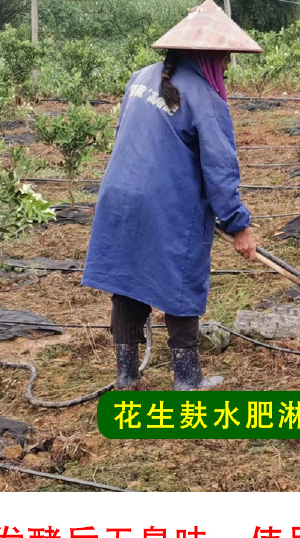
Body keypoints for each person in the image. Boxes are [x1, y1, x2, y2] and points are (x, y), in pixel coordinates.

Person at [82, 0, 262, 390]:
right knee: (181, 281)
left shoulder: (139, 78)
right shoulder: (204, 97)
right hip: (165, 205)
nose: (227, 66)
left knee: (127, 280)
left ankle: (126, 376)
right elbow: (220, 169)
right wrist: (238, 225)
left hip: (119, 194)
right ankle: (187, 380)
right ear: (207, 56)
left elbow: (127, 139)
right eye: (226, 59)